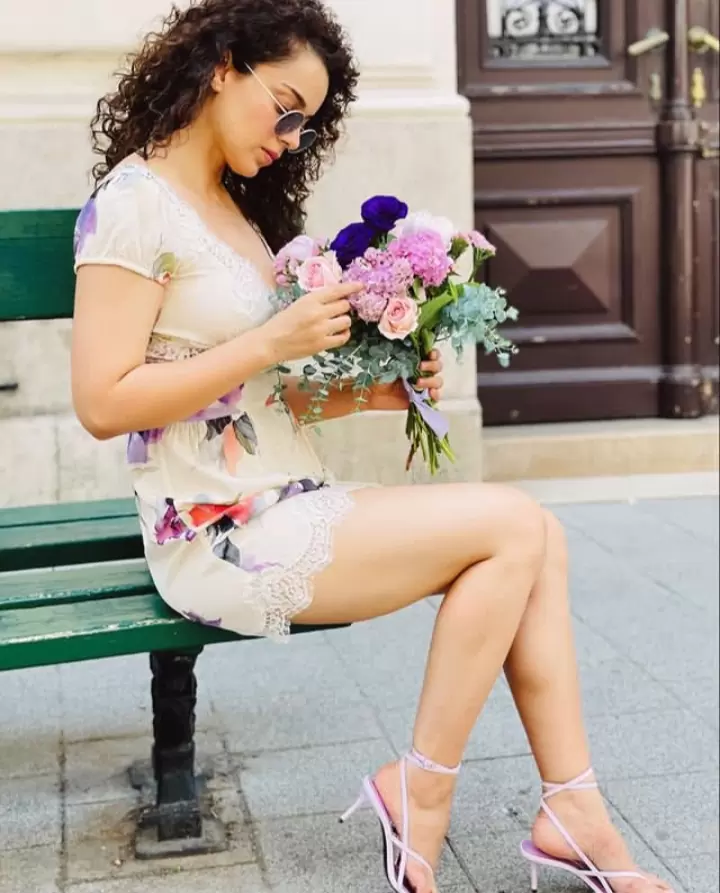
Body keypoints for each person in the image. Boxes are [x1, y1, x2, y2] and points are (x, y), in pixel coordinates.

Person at [70, 2, 673, 892]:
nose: (290, 135)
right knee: (514, 526)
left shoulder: (234, 212)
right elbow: (101, 400)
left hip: (287, 497)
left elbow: (258, 396)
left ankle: (570, 806)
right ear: (223, 66)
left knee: (533, 535)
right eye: (283, 106)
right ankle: (426, 793)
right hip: (218, 532)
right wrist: (270, 342)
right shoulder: (133, 206)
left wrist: (377, 393)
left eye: (305, 123)